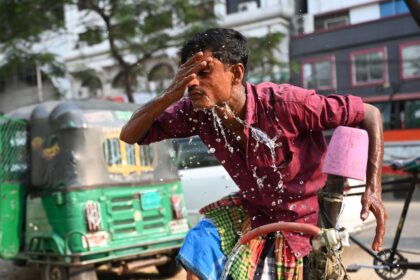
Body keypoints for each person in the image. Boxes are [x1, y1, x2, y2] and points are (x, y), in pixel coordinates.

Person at [120, 28, 387, 280]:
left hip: (307, 220)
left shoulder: (287, 104)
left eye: (203, 72)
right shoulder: (197, 113)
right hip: (255, 210)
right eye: (186, 74)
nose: (192, 83)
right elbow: (130, 134)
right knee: (199, 243)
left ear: (236, 73)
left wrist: (373, 188)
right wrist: (170, 93)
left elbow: (370, 114)